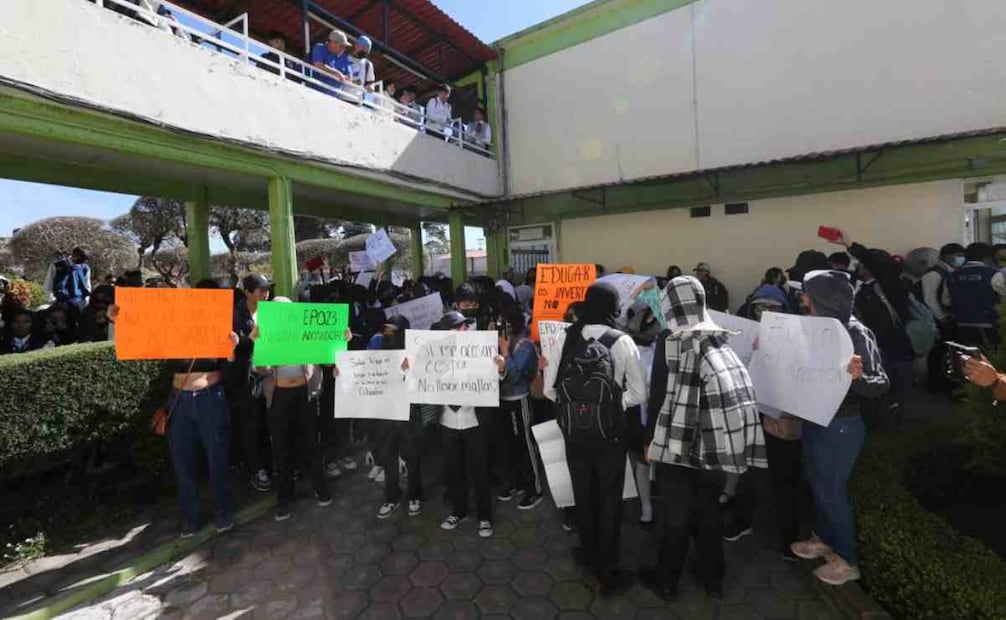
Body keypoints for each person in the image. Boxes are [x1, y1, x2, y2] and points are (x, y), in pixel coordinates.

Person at [641, 276, 767, 600]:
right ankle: (713, 579)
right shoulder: (719, 339)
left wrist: (649, 440)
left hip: (677, 444)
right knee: (708, 513)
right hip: (714, 445)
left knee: (676, 517)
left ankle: (667, 581)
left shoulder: (671, 339)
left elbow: (659, 395)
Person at [108, 284, 239, 537]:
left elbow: (232, 369)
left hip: (211, 398)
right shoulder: (172, 326)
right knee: (182, 462)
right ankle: (191, 518)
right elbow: (138, 337)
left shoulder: (220, 327)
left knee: (217, 459)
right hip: (179, 401)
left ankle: (223, 513)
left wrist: (232, 350)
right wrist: (118, 320)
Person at [543, 282, 647, 595]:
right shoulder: (623, 340)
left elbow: (550, 389)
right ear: (614, 307)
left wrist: (579, 407)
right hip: (610, 435)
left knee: (583, 496)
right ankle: (608, 569)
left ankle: (588, 556)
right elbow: (639, 393)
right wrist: (612, 404)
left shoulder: (567, 335)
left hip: (575, 434)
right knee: (609, 500)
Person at [791, 270, 889, 586]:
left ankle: (848, 561)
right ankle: (824, 541)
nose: (803, 299)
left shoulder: (857, 332)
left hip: (842, 425)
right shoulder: (816, 329)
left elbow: (880, 382)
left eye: (808, 294)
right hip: (816, 417)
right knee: (818, 485)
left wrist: (858, 377)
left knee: (832, 491)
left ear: (824, 298)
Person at [253, 297, 332, 522]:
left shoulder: (306, 332)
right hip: (278, 397)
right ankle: (284, 499)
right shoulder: (266, 334)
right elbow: (260, 369)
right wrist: (259, 344)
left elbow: (327, 360)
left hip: (304, 395)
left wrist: (340, 340)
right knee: (281, 449)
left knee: (311, 444)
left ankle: (320, 488)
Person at [827, 230, 913, 426]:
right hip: (873, 348)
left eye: (862, 264)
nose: (858, 268)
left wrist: (851, 246)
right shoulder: (859, 287)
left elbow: (878, 266)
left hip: (895, 347)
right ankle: (879, 420)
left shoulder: (890, 286)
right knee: (876, 390)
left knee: (896, 388)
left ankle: (895, 422)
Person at [435, 311, 497, 538]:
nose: (459, 331)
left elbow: (496, 378)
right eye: (453, 328)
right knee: (453, 470)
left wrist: (500, 368)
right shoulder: (433, 354)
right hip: (447, 421)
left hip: (474, 421)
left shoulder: (480, 349)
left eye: (461, 327)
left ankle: (485, 517)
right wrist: (406, 368)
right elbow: (419, 381)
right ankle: (458, 511)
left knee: (479, 470)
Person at [368, 316, 426, 519]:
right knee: (388, 455)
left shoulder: (414, 350)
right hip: (385, 412)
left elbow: (424, 380)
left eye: (394, 330)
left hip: (408, 412)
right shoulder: (377, 346)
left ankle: (415, 495)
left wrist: (410, 371)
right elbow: (364, 371)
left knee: (412, 456)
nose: (389, 334)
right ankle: (391, 496)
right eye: (387, 330)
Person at [495, 314, 543, 510]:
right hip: (500, 401)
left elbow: (514, 376)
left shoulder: (524, 346)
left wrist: (505, 353)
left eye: (500, 323)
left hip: (518, 400)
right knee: (507, 446)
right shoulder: (494, 341)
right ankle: (516, 482)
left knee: (524, 445)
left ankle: (534, 489)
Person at [231, 274, 273, 493]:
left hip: (271, 376)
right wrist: (252, 338)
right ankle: (256, 469)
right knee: (251, 424)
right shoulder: (235, 314)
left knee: (268, 422)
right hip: (248, 381)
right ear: (247, 292)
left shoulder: (271, 310)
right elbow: (234, 344)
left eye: (267, 289)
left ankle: (269, 464)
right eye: (261, 290)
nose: (265, 293)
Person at [945, 242, 1006, 351]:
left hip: (961, 324)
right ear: (988, 257)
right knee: (988, 359)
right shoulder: (993, 274)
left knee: (968, 360)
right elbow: (1003, 299)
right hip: (989, 324)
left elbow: (945, 301)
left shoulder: (952, 275)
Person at [921, 243, 965, 393]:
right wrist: (942, 318)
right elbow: (929, 299)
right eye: (957, 255)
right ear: (945, 256)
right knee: (937, 353)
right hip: (937, 319)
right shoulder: (934, 274)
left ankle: (944, 381)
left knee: (946, 352)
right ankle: (936, 383)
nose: (961, 259)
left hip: (946, 319)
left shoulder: (950, 272)